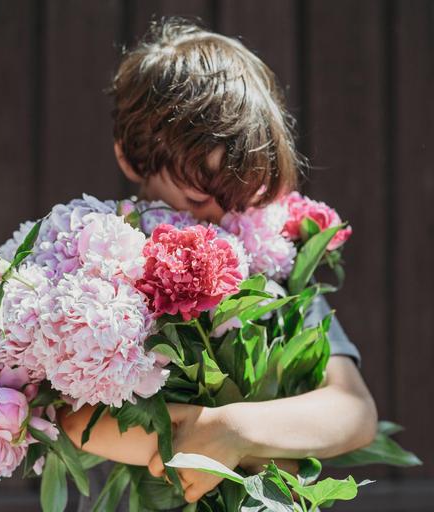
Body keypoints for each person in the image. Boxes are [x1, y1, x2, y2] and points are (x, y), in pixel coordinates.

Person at [58, 16, 378, 510]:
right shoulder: (97, 271)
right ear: (130, 157)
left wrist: (234, 431)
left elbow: (354, 412)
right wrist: (250, 450)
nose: (217, 218)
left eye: (238, 196)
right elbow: (75, 422)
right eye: (197, 197)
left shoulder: (274, 273)